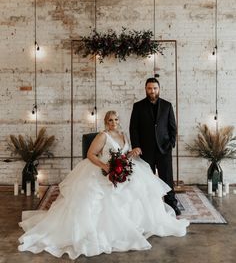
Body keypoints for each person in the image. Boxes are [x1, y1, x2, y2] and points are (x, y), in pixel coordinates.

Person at [18, 110, 189, 260]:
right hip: (103, 170)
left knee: (142, 190)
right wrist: (105, 166)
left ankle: (138, 224)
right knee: (94, 198)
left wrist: (132, 153)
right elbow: (90, 154)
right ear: (105, 122)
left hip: (122, 170)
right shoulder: (103, 136)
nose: (113, 123)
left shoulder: (123, 135)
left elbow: (124, 156)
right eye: (110, 120)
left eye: (115, 120)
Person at [129, 78, 181, 216]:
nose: (152, 91)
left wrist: (171, 144)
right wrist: (136, 146)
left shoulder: (167, 106)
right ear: (146, 89)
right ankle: (148, 206)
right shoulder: (138, 106)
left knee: (167, 177)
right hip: (145, 150)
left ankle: (171, 203)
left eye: (155, 88)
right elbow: (133, 128)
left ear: (159, 89)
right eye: (150, 88)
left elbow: (173, 128)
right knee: (147, 180)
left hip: (164, 149)